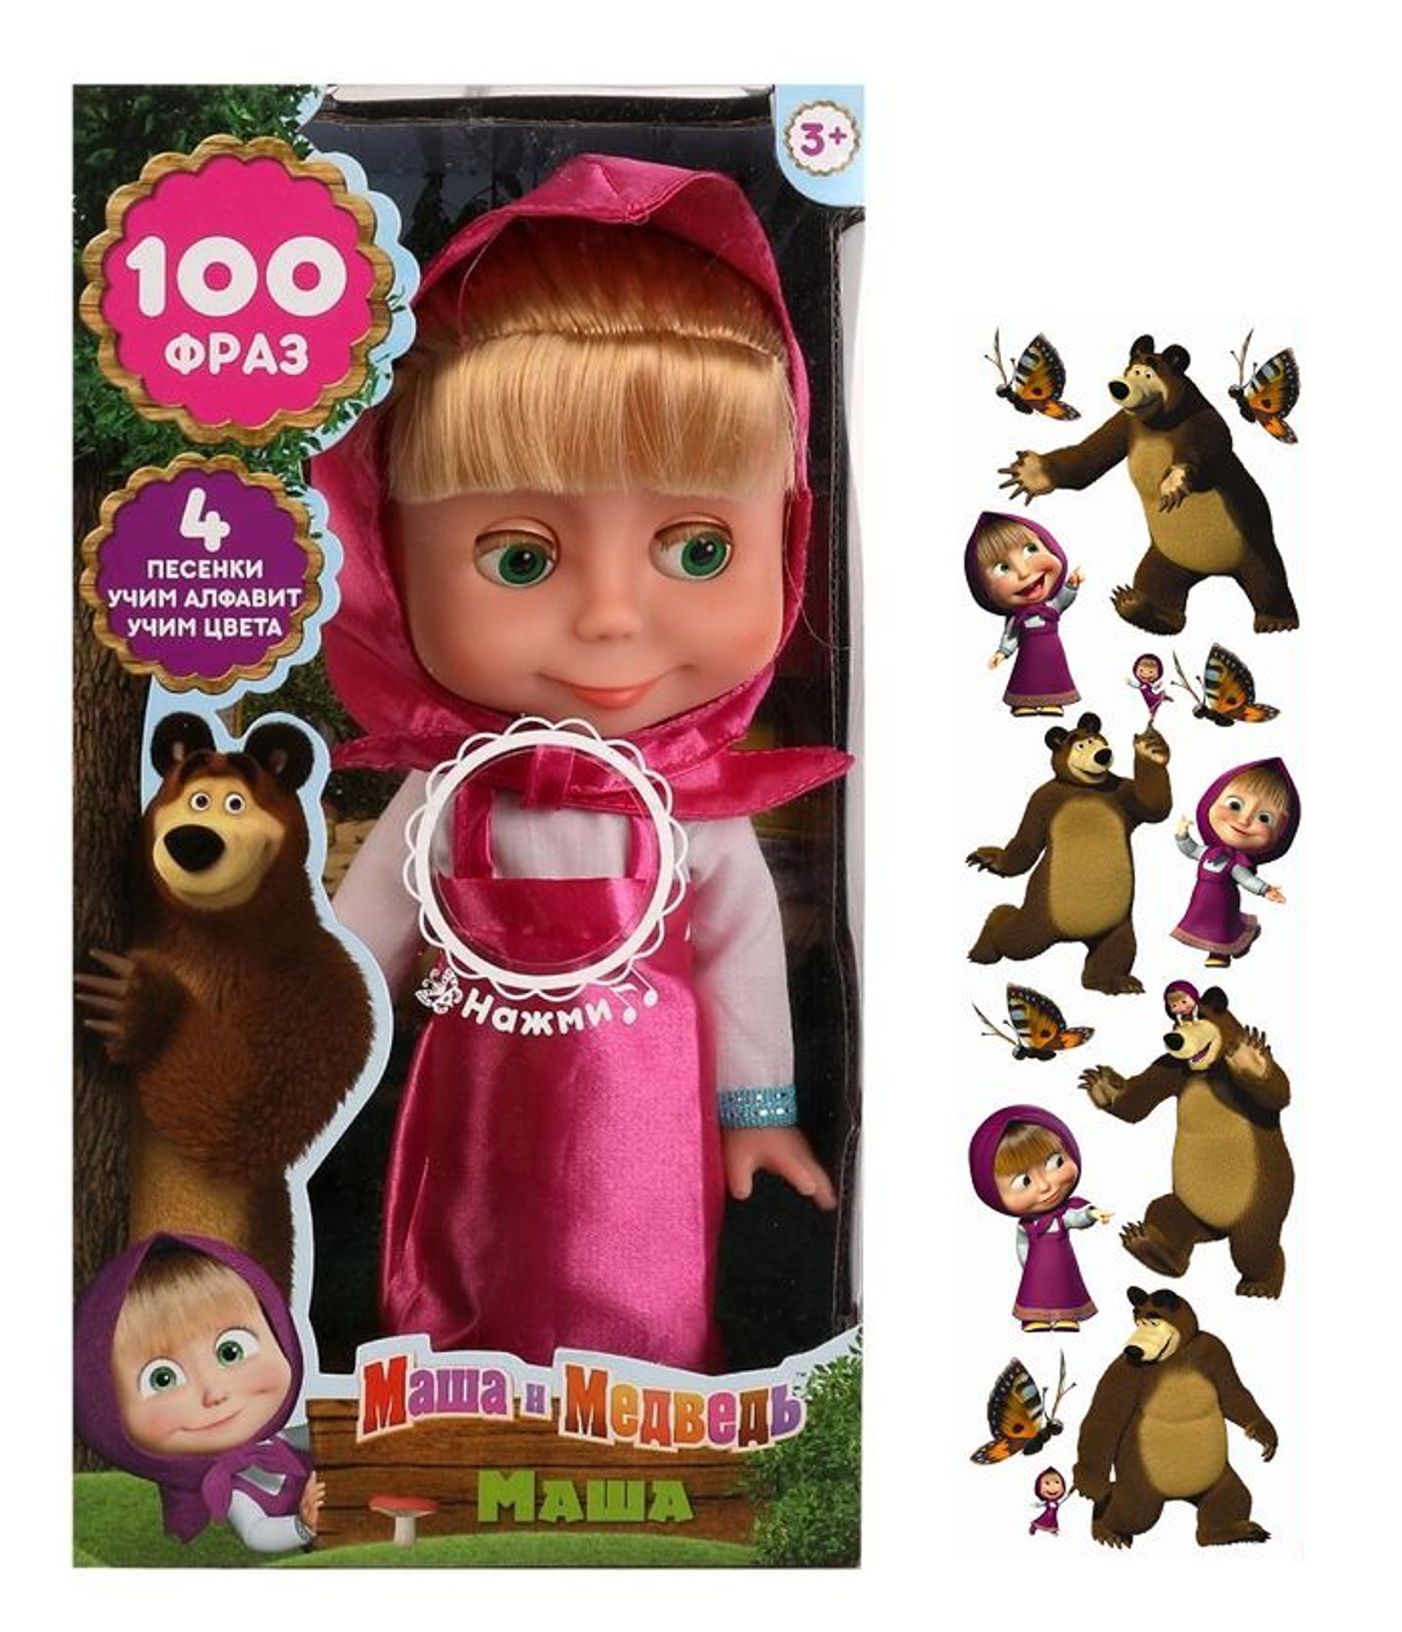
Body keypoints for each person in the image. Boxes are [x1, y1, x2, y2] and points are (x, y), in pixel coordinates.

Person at [314, 154, 851, 1372]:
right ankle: (442, 1383)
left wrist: (756, 1113)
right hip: (475, 1085)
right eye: (519, 559)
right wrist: (306, 1051)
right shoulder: (449, 795)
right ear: (393, 558)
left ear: (785, 534)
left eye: (698, 550)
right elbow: (362, 942)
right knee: (460, 1250)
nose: (611, 619)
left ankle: (653, 1387)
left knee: (641, 1271)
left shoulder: (688, 809)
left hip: (646, 1100)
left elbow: (737, 950)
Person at [74, 1233, 322, 1552]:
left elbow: (321, 1434)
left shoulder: (279, 1444)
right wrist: (302, 1526)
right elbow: (256, 1533)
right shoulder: (225, 1486)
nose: (214, 1393)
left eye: (231, 1352)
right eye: (163, 1379)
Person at [969, 1105, 1111, 1332]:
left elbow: (1075, 1217)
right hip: (1037, 1270)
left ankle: (1067, 1315)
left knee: (1065, 1286)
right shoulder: (1027, 1225)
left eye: (1056, 1163)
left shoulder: (1063, 1214)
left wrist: (1091, 1214)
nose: (1045, 1186)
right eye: (1024, 1182)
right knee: (1035, 1291)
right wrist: (1029, 1266)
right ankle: (1035, 1317)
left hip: (1062, 1263)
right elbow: (1022, 1246)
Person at [1171, 758, 1298, 967]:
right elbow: (1190, 850)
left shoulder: (1236, 863)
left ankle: (1220, 953)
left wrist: (1265, 890)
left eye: (1264, 818)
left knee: (1221, 926)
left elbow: (1246, 879)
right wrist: (1182, 835)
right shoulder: (1208, 852)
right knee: (1200, 919)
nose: (1244, 820)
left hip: (1224, 902)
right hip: (1201, 899)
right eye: (1235, 805)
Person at [964, 511, 1083, 716]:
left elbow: (1064, 599)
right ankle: (1024, 702)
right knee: (1026, 675)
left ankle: (1054, 700)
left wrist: (1072, 585)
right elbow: (1011, 636)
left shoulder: (1052, 606)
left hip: (1052, 651)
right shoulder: (1017, 619)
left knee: (1054, 673)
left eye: (1031, 550)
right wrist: (1002, 652)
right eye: (1003, 568)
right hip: (1028, 653)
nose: (1024, 572)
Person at [1127, 652, 1172, 722]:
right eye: (1141, 671)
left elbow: (1154, 687)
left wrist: (1158, 685)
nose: (1146, 674)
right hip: (1147, 699)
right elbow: (1135, 685)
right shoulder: (1141, 685)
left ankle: (1162, 698)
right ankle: (1152, 718)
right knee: (1152, 708)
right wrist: (1129, 682)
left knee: (1154, 705)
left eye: (1151, 672)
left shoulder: (1148, 685)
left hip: (1151, 696)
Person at [1029, 1466, 1066, 1537]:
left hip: (1053, 1517)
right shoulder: (1047, 1502)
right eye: (1047, 1483)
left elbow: (1065, 1498)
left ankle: (1053, 1530)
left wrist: (1071, 1491)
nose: (1053, 1487)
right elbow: (1040, 1504)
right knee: (1040, 1521)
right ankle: (1034, 1527)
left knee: (1053, 1523)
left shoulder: (1058, 1502)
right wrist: (1036, 1505)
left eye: (1057, 1482)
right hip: (1045, 1516)